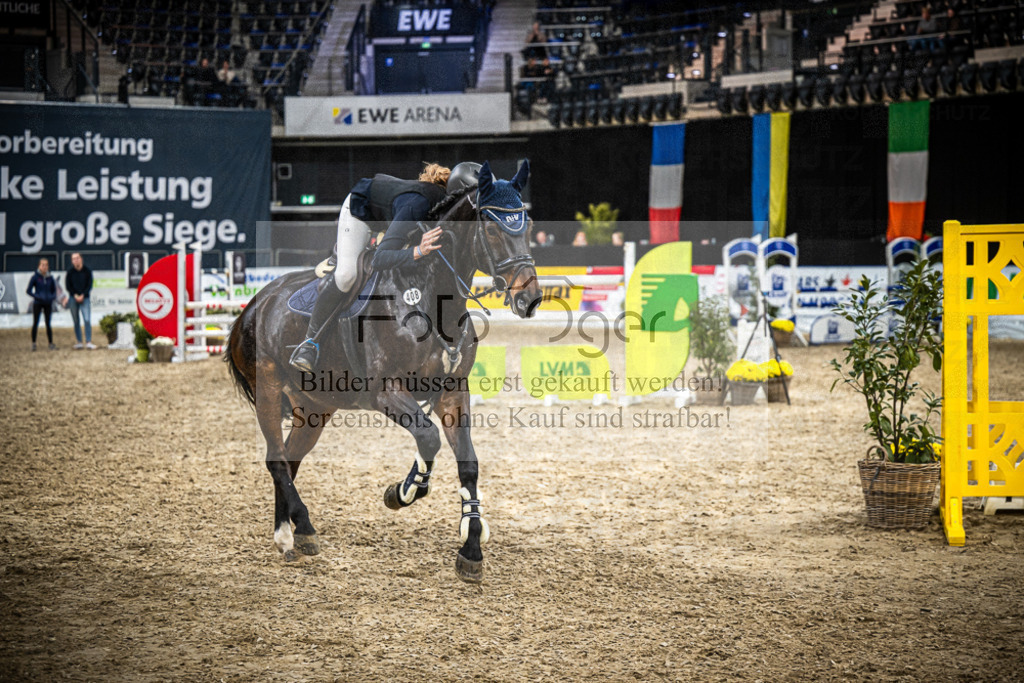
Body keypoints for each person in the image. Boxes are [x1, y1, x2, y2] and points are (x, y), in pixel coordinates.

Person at [289, 161, 483, 372]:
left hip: (394, 217)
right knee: (347, 275)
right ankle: (309, 343)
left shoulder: (447, 213)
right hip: (361, 211)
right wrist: (417, 251)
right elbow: (380, 259)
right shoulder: (417, 206)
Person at [66, 252, 96, 350]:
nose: (76, 260)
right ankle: (79, 341)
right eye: (74, 259)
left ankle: (88, 341)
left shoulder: (87, 271)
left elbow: (89, 285)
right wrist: (75, 295)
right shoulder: (70, 272)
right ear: (72, 261)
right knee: (76, 320)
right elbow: (68, 286)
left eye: (77, 258)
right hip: (73, 298)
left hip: (85, 298)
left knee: (87, 319)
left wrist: (83, 295)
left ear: (81, 259)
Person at [26, 257, 57, 351]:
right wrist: (37, 296)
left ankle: (51, 343)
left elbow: (54, 291)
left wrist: (51, 298)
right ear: (39, 266)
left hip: (48, 303)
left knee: (48, 323)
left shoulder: (50, 277)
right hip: (38, 303)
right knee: (35, 323)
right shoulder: (35, 277)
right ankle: (34, 343)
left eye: (46, 265)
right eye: (43, 265)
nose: (45, 267)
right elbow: (28, 291)